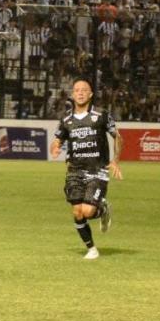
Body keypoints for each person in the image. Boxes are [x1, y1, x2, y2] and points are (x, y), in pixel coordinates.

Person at [50, 79, 123, 260]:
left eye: (84, 90)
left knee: (88, 211)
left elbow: (118, 137)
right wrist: (55, 147)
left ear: (90, 94)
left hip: (98, 169)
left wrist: (115, 161)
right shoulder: (66, 119)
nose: (80, 93)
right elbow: (58, 139)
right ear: (73, 95)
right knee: (77, 212)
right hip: (75, 170)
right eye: (77, 90)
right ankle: (91, 249)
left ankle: (102, 209)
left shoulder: (101, 115)